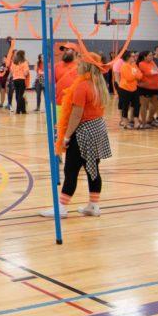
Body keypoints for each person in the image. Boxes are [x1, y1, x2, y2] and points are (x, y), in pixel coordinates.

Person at [41, 54, 111, 218]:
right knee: (92, 168)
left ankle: (62, 208)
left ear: (86, 66)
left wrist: (66, 136)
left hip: (83, 132)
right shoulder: (98, 85)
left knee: (71, 169)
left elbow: (76, 115)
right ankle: (93, 205)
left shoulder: (82, 86)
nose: (76, 66)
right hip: (97, 129)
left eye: (79, 64)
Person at [117, 51, 142, 129]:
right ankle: (125, 123)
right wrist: (135, 75)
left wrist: (135, 75)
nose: (134, 58)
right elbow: (129, 78)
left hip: (134, 88)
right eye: (132, 56)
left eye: (135, 56)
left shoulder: (134, 65)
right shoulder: (124, 66)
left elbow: (140, 76)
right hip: (124, 89)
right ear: (128, 57)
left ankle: (136, 122)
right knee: (125, 106)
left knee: (137, 105)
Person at [137, 51, 158, 128]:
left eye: (152, 55)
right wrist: (155, 71)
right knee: (144, 105)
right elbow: (150, 72)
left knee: (156, 104)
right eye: (150, 55)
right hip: (145, 87)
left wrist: (155, 70)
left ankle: (149, 119)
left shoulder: (152, 63)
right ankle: (143, 123)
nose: (152, 57)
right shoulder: (141, 64)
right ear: (144, 57)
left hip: (155, 87)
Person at [10, 50, 30, 114]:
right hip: (21, 79)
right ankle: (18, 110)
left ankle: (23, 110)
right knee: (21, 95)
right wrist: (25, 74)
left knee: (17, 94)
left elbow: (11, 71)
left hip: (15, 80)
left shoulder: (14, 62)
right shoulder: (24, 62)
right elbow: (26, 72)